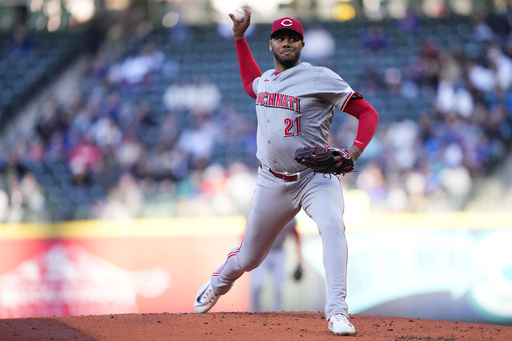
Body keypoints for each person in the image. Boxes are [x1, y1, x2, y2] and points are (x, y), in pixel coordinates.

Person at [194, 8, 379, 336]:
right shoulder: (266, 81)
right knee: (249, 257)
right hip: (272, 181)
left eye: (293, 38)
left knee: (333, 224)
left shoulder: (320, 77)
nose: (287, 42)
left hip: (314, 177)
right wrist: (238, 38)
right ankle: (217, 284)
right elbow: (250, 82)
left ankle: (337, 311)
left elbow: (367, 112)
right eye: (281, 37)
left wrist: (353, 152)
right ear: (271, 44)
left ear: (302, 44)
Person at [250, 217, 302, 312]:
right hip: (260, 251)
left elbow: (295, 234)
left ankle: (279, 316)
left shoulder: (290, 214)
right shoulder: (262, 209)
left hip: (279, 252)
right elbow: (247, 232)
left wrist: (299, 258)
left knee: (279, 288)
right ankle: (254, 314)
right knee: (257, 286)